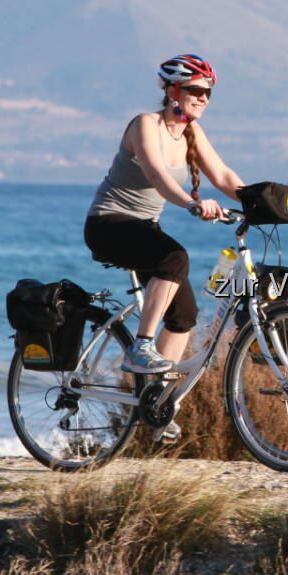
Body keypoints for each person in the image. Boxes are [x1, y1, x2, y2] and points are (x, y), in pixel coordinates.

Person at [84, 54, 245, 381]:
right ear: (173, 92)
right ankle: (141, 348)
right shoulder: (146, 124)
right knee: (175, 257)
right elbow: (157, 174)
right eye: (195, 90)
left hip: (144, 228)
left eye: (208, 93)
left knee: (184, 316)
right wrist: (191, 204)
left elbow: (224, 176)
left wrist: (265, 200)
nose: (203, 98)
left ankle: (155, 398)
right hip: (109, 223)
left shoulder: (191, 132)